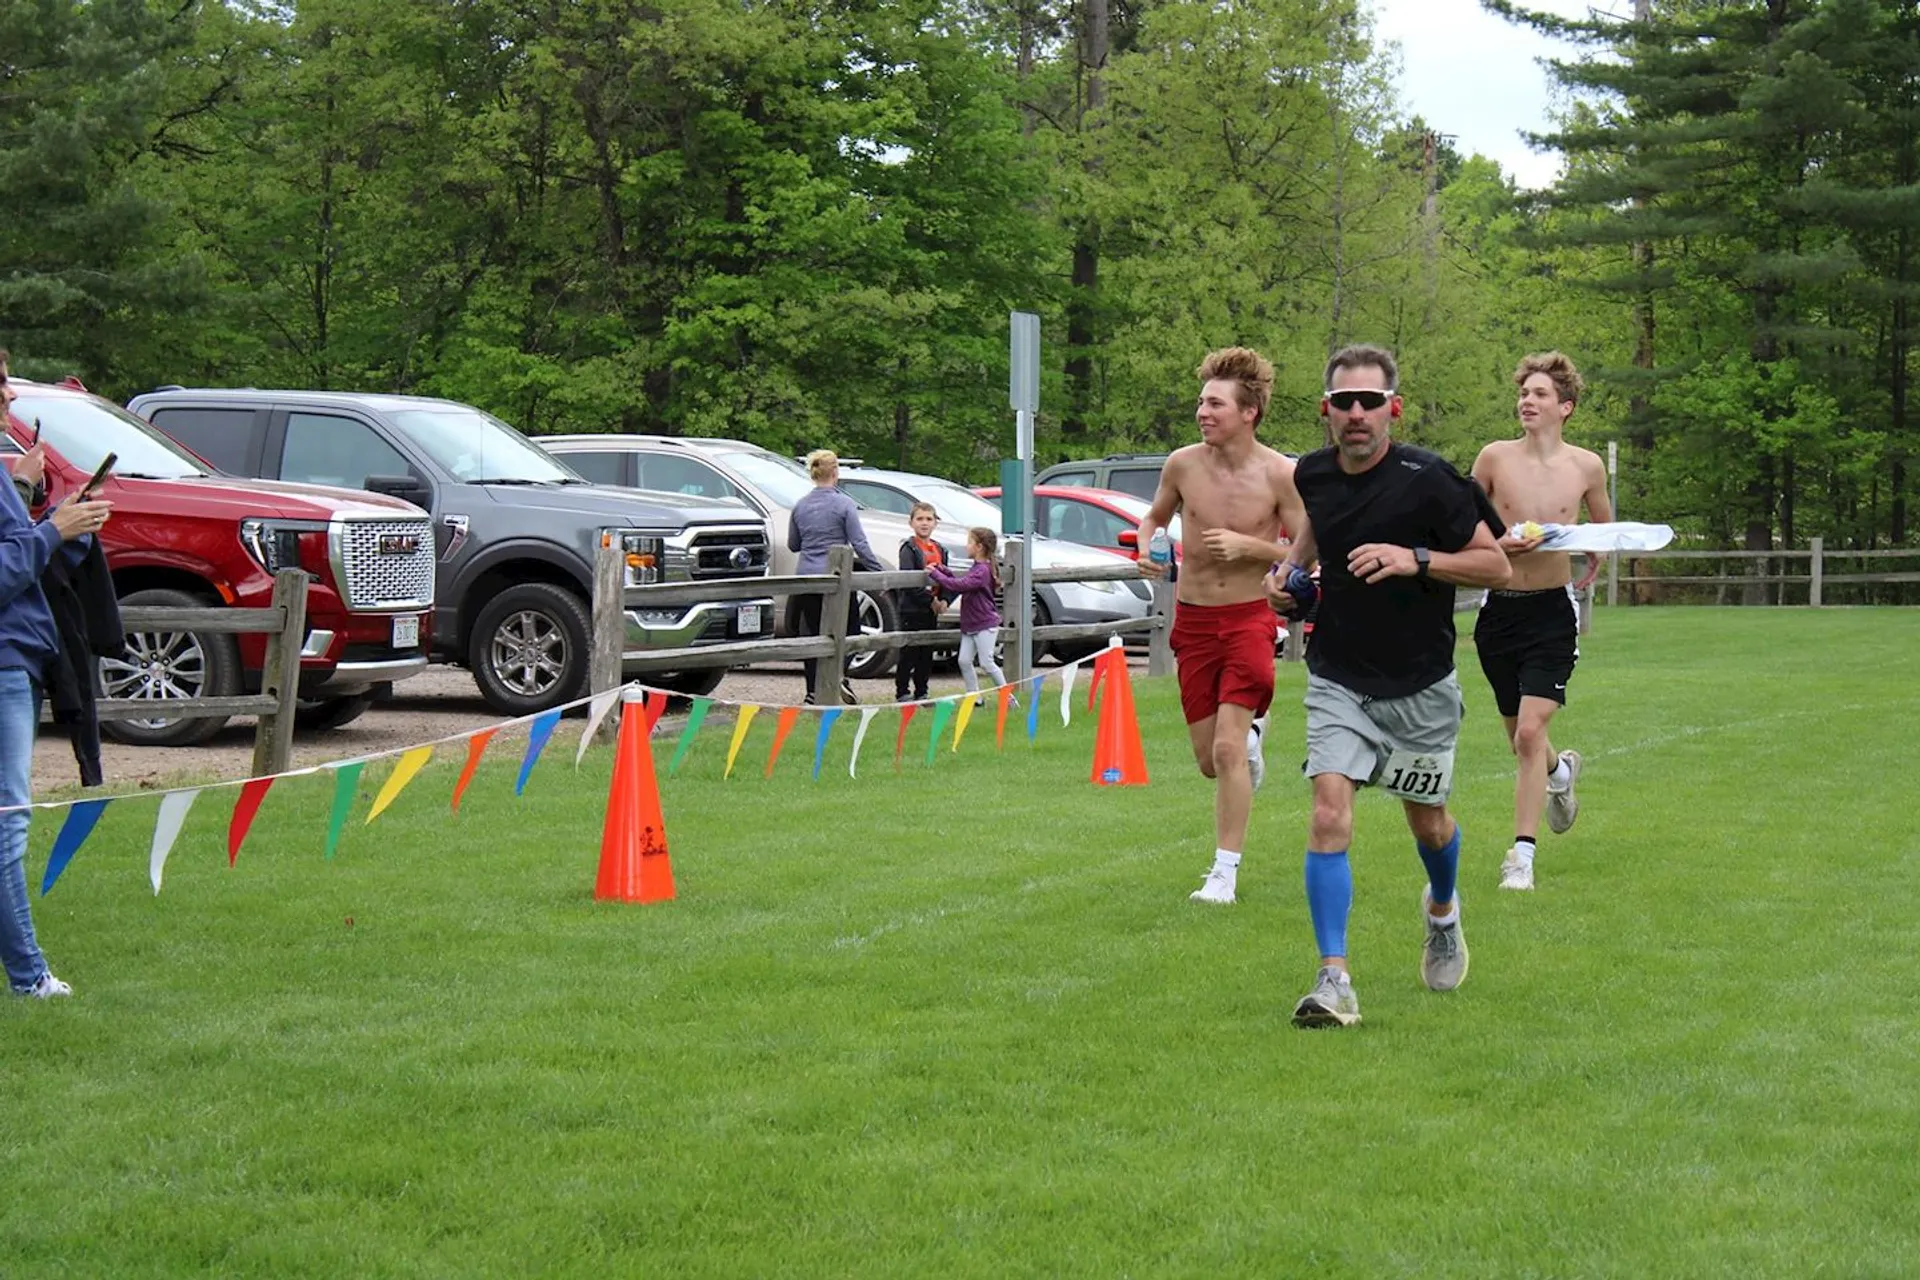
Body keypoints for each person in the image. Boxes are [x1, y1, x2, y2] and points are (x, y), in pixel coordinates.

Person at [1268, 344, 1511, 1028]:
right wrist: (1287, 578)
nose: (1356, 413)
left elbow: (1496, 567)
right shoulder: (1311, 474)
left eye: (1369, 402)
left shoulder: (1429, 478)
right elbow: (1314, 530)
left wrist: (1416, 558)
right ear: (1325, 410)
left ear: (1392, 409)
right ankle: (1333, 979)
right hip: (1337, 675)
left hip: (1420, 683)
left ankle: (1442, 910)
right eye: (1343, 402)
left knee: (1426, 822)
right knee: (1327, 811)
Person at [1137, 346, 1304, 906]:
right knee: (1211, 762)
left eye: (1215, 403)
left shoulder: (1281, 473)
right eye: (1201, 402)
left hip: (1250, 619)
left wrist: (1250, 547)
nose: (1202, 412)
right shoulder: (1182, 464)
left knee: (1229, 752)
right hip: (1193, 621)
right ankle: (1253, 739)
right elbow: (1155, 517)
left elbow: (1306, 553)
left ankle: (1224, 873)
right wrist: (1146, 546)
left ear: (1248, 411)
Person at [1471, 352, 1614, 892]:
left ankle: (1521, 859)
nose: (1527, 402)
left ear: (1565, 407)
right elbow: (1460, 521)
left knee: (1531, 731)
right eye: (1524, 393)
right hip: (1499, 611)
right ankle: (1560, 773)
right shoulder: (1493, 458)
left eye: (1539, 395)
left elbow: (1604, 528)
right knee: (1522, 740)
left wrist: (1595, 554)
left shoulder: (1586, 466)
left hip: (1553, 610)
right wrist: (1499, 543)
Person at [2, 348, 113, 998]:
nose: (11, 399)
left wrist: (56, 521)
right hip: (3, 665)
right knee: (7, 824)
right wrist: (52, 531)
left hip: (18, 660)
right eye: (1, 388)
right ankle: (28, 977)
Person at [788, 449, 884, 705]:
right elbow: (859, 543)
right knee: (850, 630)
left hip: (808, 577)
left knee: (814, 636)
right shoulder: (844, 504)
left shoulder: (800, 505)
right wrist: (879, 574)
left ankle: (812, 691)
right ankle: (839, 672)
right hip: (836, 578)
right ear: (835, 473)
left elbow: (793, 544)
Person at [927, 527, 1008, 703]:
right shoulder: (977, 568)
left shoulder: (982, 571)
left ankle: (1007, 697)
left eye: (969, 542)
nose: (967, 546)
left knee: (987, 663)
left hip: (985, 623)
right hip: (971, 624)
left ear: (979, 547)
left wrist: (936, 574)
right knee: (964, 660)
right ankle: (974, 696)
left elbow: (959, 585)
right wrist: (944, 570)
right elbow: (960, 580)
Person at [893, 501, 950, 703]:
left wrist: (944, 600)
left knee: (926, 653)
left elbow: (948, 578)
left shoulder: (941, 549)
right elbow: (910, 581)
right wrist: (930, 600)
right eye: (919, 519)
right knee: (909, 652)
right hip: (912, 608)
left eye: (928, 519)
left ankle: (922, 691)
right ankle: (902, 691)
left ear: (935, 523)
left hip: (931, 610)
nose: (924, 523)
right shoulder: (909, 548)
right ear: (911, 523)